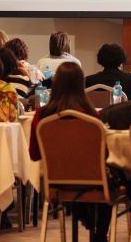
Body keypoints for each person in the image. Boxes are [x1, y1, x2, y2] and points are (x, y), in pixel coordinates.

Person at [29, 62, 111, 242]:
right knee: (113, 182)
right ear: (81, 85)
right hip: (92, 181)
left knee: (71, 180)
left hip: (57, 182)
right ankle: (100, 234)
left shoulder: (42, 115)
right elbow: (103, 155)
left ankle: (83, 215)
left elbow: (34, 154)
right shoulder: (91, 115)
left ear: (55, 84)